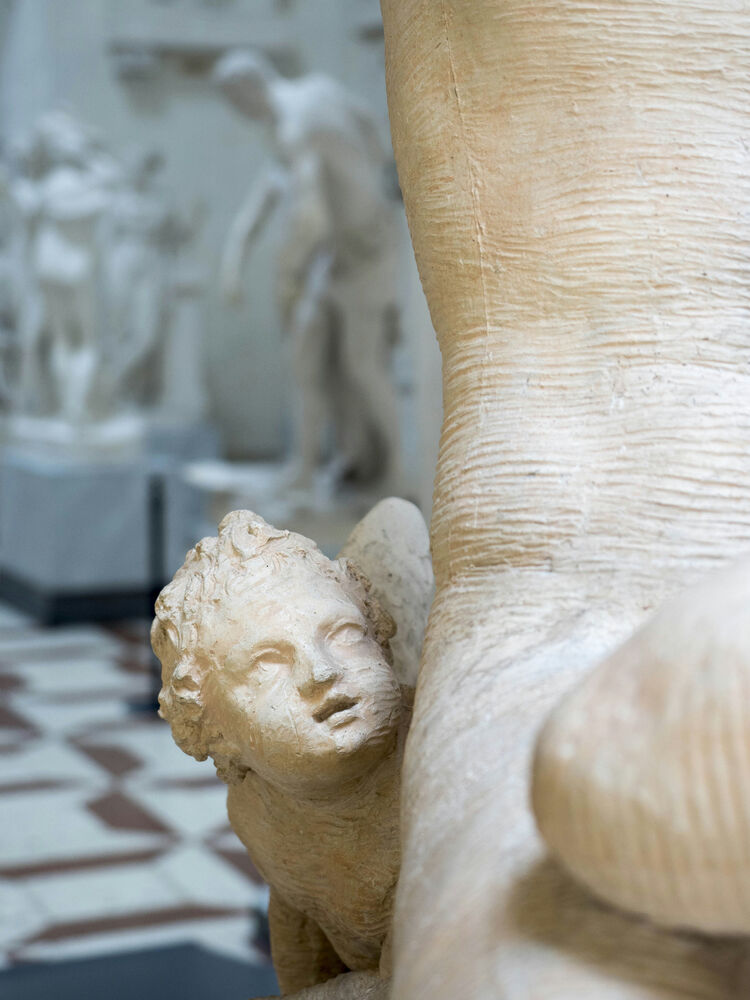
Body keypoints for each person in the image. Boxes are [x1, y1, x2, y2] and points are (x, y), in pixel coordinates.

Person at [153, 509, 411, 993]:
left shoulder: (434, 775)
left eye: (344, 635)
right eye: (267, 665)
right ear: (212, 726)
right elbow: (297, 915)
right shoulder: (256, 808)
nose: (321, 672)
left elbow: (425, 977)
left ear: (379, 638)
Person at [215, 50, 404, 491]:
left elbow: (311, 217)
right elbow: (371, 131)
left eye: (236, 102)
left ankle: (398, 469)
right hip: (339, 251)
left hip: (364, 252)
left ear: (246, 90)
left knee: (362, 364)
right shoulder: (318, 90)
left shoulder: (295, 125)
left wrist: (289, 272)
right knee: (311, 356)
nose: (241, 113)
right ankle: (317, 464)